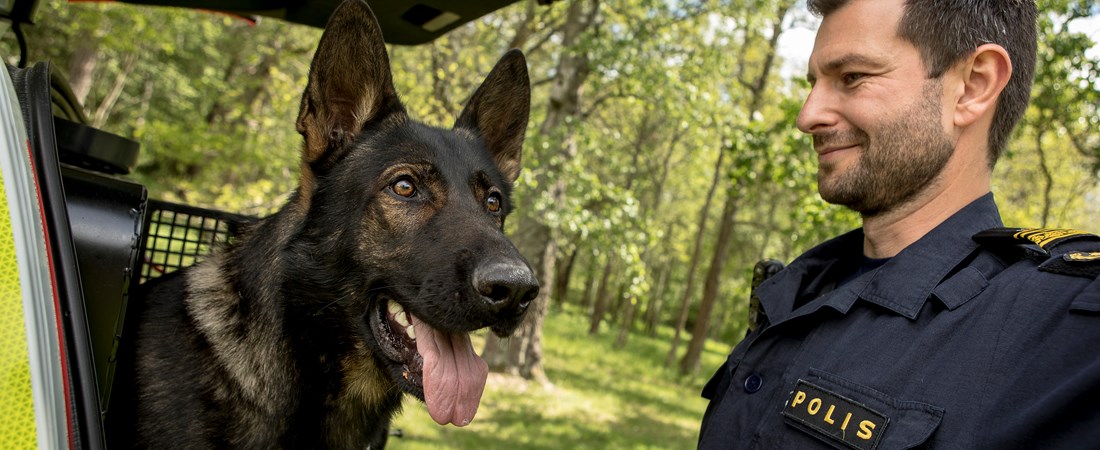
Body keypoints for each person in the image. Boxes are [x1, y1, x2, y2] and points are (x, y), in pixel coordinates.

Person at [697, 0, 1100, 448]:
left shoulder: (1064, 336)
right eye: (814, 83)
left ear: (972, 86)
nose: (807, 116)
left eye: (852, 77)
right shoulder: (803, 287)